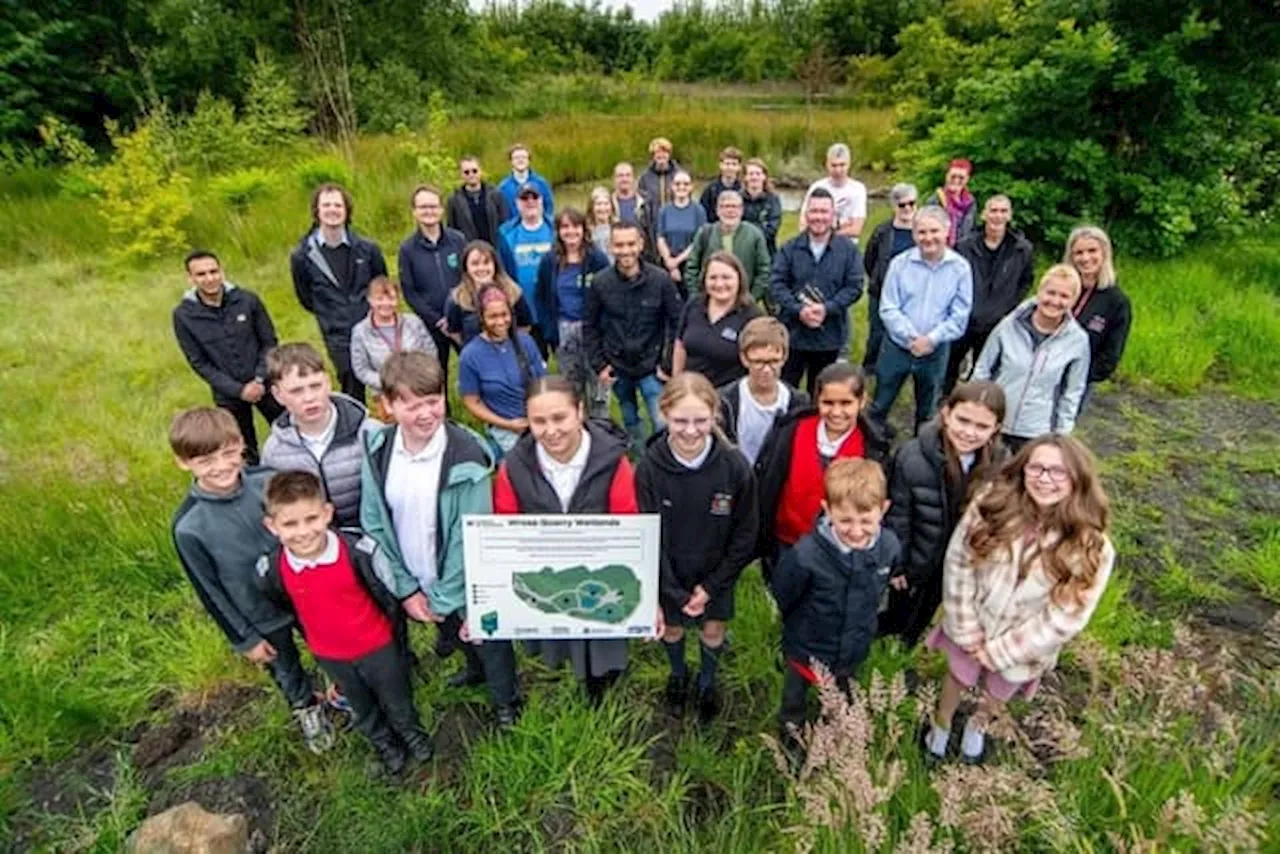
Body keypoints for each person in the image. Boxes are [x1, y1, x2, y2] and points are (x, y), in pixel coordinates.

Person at [923, 435, 1114, 765]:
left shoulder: (1091, 544)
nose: (1044, 479)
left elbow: (1065, 616)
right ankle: (939, 729)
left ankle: (975, 732)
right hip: (975, 623)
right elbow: (958, 562)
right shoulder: (992, 505)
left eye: (1058, 472)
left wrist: (1001, 652)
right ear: (1022, 470)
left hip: (1023, 643)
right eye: (1036, 468)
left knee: (999, 690)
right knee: (957, 675)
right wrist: (966, 629)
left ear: (1077, 479)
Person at [359, 351, 521, 726]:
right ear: (387, 405)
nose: (426, 414)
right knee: (454, 632)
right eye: (412, 405)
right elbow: (374, 521)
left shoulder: (467, 456)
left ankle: (506, 699)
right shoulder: (378, 451)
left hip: (464, 579)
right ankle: (473, 670)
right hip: (418, 579)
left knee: (488, 638)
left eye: (433, 402)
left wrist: (445, 596)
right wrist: (406, 589)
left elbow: (470, 534)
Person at [169, 407, 333, 753]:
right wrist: (244, 638)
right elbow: (208, 590)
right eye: (205, 460)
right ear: (184, 463)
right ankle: (305, 707)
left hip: (305, 593)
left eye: (229, 453)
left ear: (242, 444)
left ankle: (345, 691)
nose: (221, 467)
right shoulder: (189, 526)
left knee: (330, 646)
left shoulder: (269, 482)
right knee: (284, 667)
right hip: (259, 613)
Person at [257, 471, 432, 779]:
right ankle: (384, 745)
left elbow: (386, 596)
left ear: (327, 513)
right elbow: (285, 606)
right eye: (290, 524)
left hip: (379, 646)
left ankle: (412, 735)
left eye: (311, 519)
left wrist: (396, 639)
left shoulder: (358, 552)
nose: (303, 532)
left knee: (397, 696)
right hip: (330, 654)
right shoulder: (272, 570)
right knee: (360, 704)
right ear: (272, 526)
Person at [492, 376, 639, 704]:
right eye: (539, 421)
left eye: (560, 418)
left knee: (602, 637)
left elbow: (627, 522)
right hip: (548, 577)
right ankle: (571, 669)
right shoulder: (513, 467)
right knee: (562, 633)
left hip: (603, 574)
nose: (551, 431)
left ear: (580, 411)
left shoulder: (614, 461)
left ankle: (604, 680)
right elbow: (506, 525)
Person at [636, 373, 758, 721]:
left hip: (715, 572)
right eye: (680, 421)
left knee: (713, 629)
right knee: (672, 629)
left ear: (715, 416)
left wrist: (712, 586)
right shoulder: (648, 469)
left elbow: (746, 533)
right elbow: (646, 533)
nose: (690, 431)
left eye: (700, 421)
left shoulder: (735, 466)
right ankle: (678, 675)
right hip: (668, 571)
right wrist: (670, 590)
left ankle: (707, 681)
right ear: (663, 414)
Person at [771, 458, 899, 738]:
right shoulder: (806, 556)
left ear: (884, 510)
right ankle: (791, 741)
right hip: (806, 648)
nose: (855, 531)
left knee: (840, 699)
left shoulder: (889, 547)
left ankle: (831, 738)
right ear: (827, 509)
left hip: (853, 648)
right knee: (795, 699)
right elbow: (785, 594)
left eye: (866, 521)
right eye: (845, 520)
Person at [879, 381, 1007, 649]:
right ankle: (883, 644)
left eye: (982, 426)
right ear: (946, 413)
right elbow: (899, 516)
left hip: (958, 560)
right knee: (899, 609)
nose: (969, 432)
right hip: (916, 557)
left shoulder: (1001, 464)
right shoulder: (913, 457)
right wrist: (899, 564)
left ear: (996, 429)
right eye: (963, 420)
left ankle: (907, 646)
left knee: (927, 609)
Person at [755, 363, 889, 575]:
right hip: (785, 537)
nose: (836, 412)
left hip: (837, 549)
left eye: (846, 403)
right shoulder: (791, 429)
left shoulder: (872, 448)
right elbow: (770, 478)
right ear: (817, 400)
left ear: (862, 401)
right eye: (828, 403)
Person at [173, 249, 282, 465]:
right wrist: (238, 390)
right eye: (201, 274)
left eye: (213, 271)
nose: (209, 278)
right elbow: (199, 362)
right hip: (228, 394)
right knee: (240, 448)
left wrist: (260, 379)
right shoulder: (183, 316)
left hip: (266, 384)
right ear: (191, 278)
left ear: (222, 271)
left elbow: (269, 343)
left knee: (287, 431)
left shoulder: (248, 300)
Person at [870, 206, 973, 433]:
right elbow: (888, 307)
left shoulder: (960, 268)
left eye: (934, 231)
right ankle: (872, 445)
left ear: (947, 231)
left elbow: (960, 315)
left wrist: (931, 339)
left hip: (935, 350)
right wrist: (911, 337)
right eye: (922, 232)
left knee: (927, 410)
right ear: (914, 234)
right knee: (880, 402)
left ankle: (919, 455)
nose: (928, 238)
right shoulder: (900, 264)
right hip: (897, 346)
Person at [584, 222, 683, 448]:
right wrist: (599, 364)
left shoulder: (661, 280)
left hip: (652, 365)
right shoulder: (600, 283)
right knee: (629, 417)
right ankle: (640, 458)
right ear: (611, 246)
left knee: (661, 420)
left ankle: (661, 458)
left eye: (630, 244)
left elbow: (677, 323)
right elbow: (589, 326)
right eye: (619, 245)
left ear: (640, 244)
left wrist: (667, 364)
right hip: (617, 366)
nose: (625, 250)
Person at [971, 265, 1091, 453]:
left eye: (1064, 296)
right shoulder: (1009, 325)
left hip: (1037, 430)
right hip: (996, 420)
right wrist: (976, 410)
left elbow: (1072, 392)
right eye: (1050, 292)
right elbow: (983, 369)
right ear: (1039, 291)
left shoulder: (1078, 341)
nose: (1055, 301)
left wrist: (1061, 434)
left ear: (1073, 301)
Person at [263, 342, 380, 529]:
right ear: (278, 395)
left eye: (315, 386)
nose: (309, 398)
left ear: (327, 382)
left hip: (369, 535)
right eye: (296, 391)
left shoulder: (368, 432)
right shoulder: (275, 452)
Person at [290, 183, 388, 402]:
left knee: (385, 381)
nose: (332, 210)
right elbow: (306, 297)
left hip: (372, 326)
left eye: (337, 205)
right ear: (317, 211)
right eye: (326, 205)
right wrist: (332, 314)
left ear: (347, 211)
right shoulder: (302, 256)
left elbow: (381, 283)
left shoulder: (368, 249)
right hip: (337, 334)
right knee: (352, 386)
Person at [769, 188, 865, 392]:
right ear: (806, 214)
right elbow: (777, 283)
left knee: (822, 393)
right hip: (793, 335)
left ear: (833, 216)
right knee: (787, 392)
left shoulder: (848, 250)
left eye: (824, 212)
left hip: (829, 337)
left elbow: (855, 287)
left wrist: (827, 308)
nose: (819, 217)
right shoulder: (789, 248)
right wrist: (798, 309)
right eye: (814, 211)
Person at [947, 194, 1035, 394]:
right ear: (984, 215)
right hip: (964, 319)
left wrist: (1008, 307)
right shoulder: (964, 246)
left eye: (1003, 211)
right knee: (948, 368)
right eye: (994, 210)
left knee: (984, 373)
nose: (998, 216)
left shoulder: (1022, 250)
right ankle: (942, 405)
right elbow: (951, 279)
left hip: (996, 323)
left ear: (1010, 216)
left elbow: (1026, 281)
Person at [535, 207, 612, 418]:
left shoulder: (597, 259)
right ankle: (578, 432)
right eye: (565, 227)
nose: (571, 232)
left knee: (599, 392)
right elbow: (540, 298)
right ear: (558, 231)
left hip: (594, 332)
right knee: (571, 391)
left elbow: (609, 296)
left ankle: (601, 433)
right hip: (564, 332)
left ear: (583, 229)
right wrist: (550, 332)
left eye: (575, 226)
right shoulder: (549, 261)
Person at [458, 286, 547, 457]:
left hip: (537, 420)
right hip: (505, 430)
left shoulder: (526, 342)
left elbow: (543, 382)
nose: (500, 321)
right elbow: (472, 402)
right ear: (482, 318)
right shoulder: (470, 355)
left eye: (504, 314)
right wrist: (507, 424)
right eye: (493, 316)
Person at [398, 185, 468, 386]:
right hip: (431, 324)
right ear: (414, 212)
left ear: (441, 209)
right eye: (423, 207)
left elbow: (468, 277)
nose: (428, 211)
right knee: (436, 375)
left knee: (476, 364)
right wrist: (438, 320)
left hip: (463, 317)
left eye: (433, 206)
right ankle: (442, 413)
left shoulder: (458, 240)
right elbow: (409, 291)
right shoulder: (407, 249)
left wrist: (458, 311)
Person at [718, 317, 810, 467]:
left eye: (774, 361)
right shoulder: (725, 400)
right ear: (744, 358)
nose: (766, 370)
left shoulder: (798, 402)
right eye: (758, 362)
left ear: (784, 357)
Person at [350, 276, 438, 418]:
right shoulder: (360, 332)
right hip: (386, 396)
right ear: (370, 300)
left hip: (419, 391)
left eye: (391, 298)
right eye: (380, 299)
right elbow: (361, 369)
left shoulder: (414, 323)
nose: (386, 304)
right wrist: (389, 382)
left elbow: (430, 353)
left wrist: (418, 379)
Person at [672, 252, 761, 387]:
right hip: (691, 392)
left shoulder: (751, 315)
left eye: (726, 278)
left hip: (728, 398)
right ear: (704, 280)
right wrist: (676, 383)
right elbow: (680, 346)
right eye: (713, 278)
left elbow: (757, 361)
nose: (719, 284)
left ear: (739, 279)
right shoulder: (694, 304)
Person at [1064, 225, 1132, 397]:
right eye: (1078, 253)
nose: (1085, 258)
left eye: (1092, 251)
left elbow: (1109, 357)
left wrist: (1078, 377)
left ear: (1104, 254)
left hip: (1077, 385)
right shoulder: (1060, 288)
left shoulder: (1117, 302)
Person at [860, 183, 919, 374]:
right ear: (894, 206)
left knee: (904, 332)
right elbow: (869, 258)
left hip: (912, 294)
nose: (908, 209)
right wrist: (877, 279)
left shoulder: (922, 232)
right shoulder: (882, 231)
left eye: (912, 203)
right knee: (877, 332)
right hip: (881, 290)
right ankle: (870, 367)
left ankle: (899, 367)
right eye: (902, 205)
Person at [497, 183, 555, 356]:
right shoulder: (507, 233)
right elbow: (503, 273)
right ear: (517, 203)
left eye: (534, 197)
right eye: (524, 198)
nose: (530, 202)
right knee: (533, 361)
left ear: (542, 201)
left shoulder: (555, 229)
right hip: (526, 309)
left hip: (553, 307)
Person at [445, 241, 535, 348]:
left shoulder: (513, 292)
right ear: (466, 267)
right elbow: (454, 332)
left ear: (495, 265)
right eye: (475, 264)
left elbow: (525, 325)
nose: (481, 268)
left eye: (486, 262)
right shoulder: (457, 299)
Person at [684, 191, 772, 300]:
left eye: (735, 206)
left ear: (741, 210)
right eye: (725, 206)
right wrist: (698, 297)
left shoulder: (755, 235)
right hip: (710, 300)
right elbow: (692, 268)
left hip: (742, 302)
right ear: (717, 210)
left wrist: (751, 298)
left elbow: (764, 270)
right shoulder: (705, 233)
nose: (730, 211)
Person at [800, 143, 867, 242]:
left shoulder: (858, 189)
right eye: (834, 165)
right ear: (827, 164)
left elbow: (856, 229)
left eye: (842, 165)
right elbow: (803, 224)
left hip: (845, 245)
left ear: (849, 164)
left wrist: (824, 232)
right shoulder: (817, 187)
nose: (838, 170)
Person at [656, 170, 706, 295]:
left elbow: (698, 240)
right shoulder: (665, 210)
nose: (681, 187)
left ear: (691, 187)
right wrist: (670, 262)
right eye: (677, 184)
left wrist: (677, 261)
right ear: (672, 187)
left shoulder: (698, 211)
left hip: (690, 264)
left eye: (685, 184)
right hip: (667, 263)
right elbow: (660, 238)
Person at [446, 156, 510, 246]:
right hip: (469, 250)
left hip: (495, 248)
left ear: (480, 171)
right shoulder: (454, 200)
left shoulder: (495, 194)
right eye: (466, 172)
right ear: (461, 174)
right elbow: (451, 229)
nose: (471, 175)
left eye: (474, 171)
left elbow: (505, 223)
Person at [611, 161, 656, 258]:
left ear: (633, 179)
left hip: (643, 255)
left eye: (628, 175)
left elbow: (653, 231)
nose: (624, 179)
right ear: (614, 179)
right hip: (617, 254)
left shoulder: (647, 202)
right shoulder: (607, 204)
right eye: (620, 176)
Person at [497, 143, 555, 216]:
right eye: (516, 157)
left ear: (529, 160)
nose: (520, 160)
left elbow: (549, 208)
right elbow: (500, 212)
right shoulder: (503, 187)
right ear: (511, 161)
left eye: (523, 157)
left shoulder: (541, 183)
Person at [741, 158, 783, 257]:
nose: (754, 177)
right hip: (741, 251)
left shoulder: (773, 200)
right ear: (745, 177)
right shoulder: (737, 199)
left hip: (767, 252)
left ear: (764, 176)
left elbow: (772, 229)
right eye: (751, 174)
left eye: (758, 174)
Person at [933, 158, 977, 248]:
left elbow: (969, 229)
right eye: (953, 176)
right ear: (947, 176)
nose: (956, 180)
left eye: (961, 178)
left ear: (967, 179)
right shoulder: (936, 200)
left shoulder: (970, 202)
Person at [699, 146, 744, 222]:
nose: (730, 167)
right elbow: (703, 213)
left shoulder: (743, 189)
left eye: (734, 164)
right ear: (720, 165)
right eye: (727, 164)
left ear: (739, 167)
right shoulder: (711, 189)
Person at [638, 137, 682, 209]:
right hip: (654, 218)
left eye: (664, 152)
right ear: (653, 155)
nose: (661, 155)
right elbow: (641, 202)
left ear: (669, 154)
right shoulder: (645, 177)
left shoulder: (679, 175)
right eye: (658, 152)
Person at [586, 186, 615, 261]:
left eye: (606, 204)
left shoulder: (618, 227)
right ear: (591, 207)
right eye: (598, 204)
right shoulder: (587, 231)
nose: (603, 208)